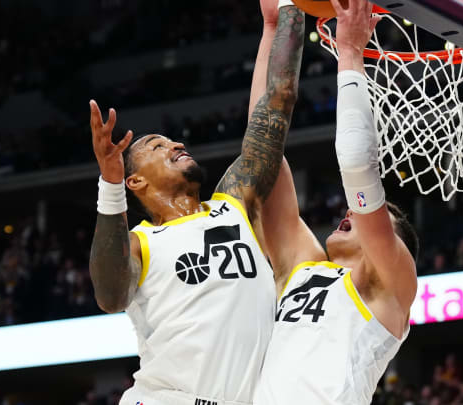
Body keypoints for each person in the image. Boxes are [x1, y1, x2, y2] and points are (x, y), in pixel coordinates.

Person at [87, 0, 305, 403]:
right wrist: (110, 182)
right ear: (134, 180)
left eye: (173, 140)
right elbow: (110, 296)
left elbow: (278, 102)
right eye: (158, 145)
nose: (177, 144)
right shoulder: (141, 242)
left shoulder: (234, 204)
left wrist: (290, 9)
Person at [253, 0, 418, 403]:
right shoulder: (302, 268)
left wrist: (350, 54)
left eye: (382, 219)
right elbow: (262, 150)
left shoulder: (388, 289)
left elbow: (358, 167)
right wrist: (273, 29)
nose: (351, 213)